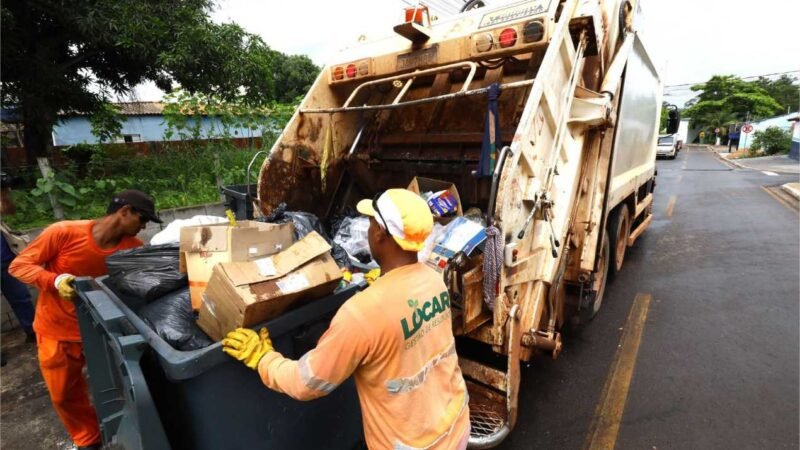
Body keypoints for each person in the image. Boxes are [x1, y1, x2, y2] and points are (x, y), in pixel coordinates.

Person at [223, 188, 470, 449]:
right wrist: (384, 285)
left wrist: (263, 359)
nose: (368, 229)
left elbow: (307, 383)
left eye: (371, 222)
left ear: (379, 233)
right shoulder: (433, 279)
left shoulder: (362, 314)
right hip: (455, 427)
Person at [9, 189, 162, 450]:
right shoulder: (64, 232)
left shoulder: (133, 249)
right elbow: (19, 265)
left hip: (103, 332)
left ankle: (117, 431)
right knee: (63, 394)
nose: (144, 225)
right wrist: (54, 280)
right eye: (142, 218)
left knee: (119, 389)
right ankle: (87, 439)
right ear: (124, 212)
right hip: (57, 329)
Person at [1, 172, 37, 367]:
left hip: (6, 261)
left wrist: (3, 192)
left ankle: (33, 332)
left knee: (21, 297)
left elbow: (9, 211)